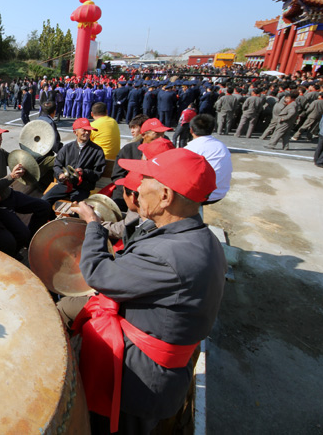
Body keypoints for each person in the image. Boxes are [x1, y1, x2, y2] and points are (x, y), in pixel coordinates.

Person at [69, 148, 226, 434]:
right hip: (159, 368)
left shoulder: (168, 254)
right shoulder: (199, 238)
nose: (137, 188)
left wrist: (93, 225)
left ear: (166, 196)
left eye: (145, 180)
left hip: (143, 379)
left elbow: (98, 274)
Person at [0, 122, 53, 250]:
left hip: (10, 194)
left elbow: (15, 159)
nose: (1, 139)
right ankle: (26, 242)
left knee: (44, 207)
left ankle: (30, 241)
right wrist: (12, 176)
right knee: (22, 234)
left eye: (1, 135)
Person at [42, 118, 106, 204]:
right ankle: (52, 216)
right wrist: (60, 174)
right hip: (65, 184)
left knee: (77, 208)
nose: (87, 132)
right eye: (84, 130)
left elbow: (98, 173)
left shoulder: (97, 150)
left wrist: (84, 172)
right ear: (75, 132)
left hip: (83, 187)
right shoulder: (67, 148)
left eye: (89, 130)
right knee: (43, 201)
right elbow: (57, 165)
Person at [185, 114, 233, 203]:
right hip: (220, 192)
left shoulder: (191, 148)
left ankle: (190, 213)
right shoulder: (221, 145)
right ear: (213, 129)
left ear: (191, 129)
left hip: (204, 196)